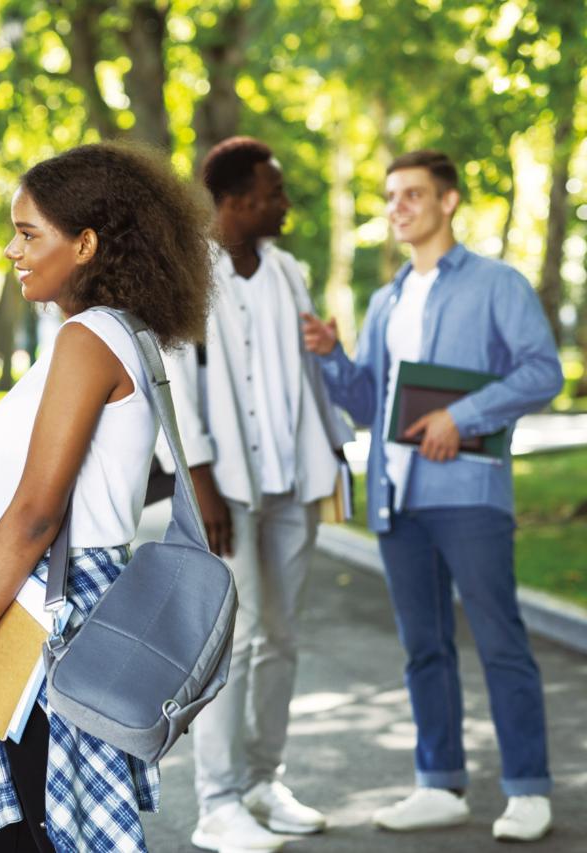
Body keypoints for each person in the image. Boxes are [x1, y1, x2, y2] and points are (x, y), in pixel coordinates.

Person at [0, 142, 214, 853]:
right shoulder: (124, 335)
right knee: (55, 826)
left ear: (85, 243)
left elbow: (36, 512)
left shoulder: (88, 339)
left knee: (30, 830)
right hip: (64, 599)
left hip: (51, 614)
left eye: (28, 232)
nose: (12, 249)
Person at [302, 150, 561, 842]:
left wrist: (462, 417)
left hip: (469, 492)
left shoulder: (496, 284)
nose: (398, 207)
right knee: (424, 647)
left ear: (448, 201)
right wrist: (332, 356)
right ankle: (438, 782)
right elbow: (371, 403)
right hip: (396, 495)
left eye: (413, 194)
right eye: (390, 196)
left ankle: (528, 788)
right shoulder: (386, 300)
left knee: (501, 639)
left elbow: (543, 371)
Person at [156, 137, 352, 852]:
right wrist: (198, 478)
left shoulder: (289, 273)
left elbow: (309, 375)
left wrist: (334, 456)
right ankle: (220, 802)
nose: (284, 202)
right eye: (274, 191)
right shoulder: (186, 276)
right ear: (238, 200)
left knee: (282, 638)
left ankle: (266, 780)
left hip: (293, 482)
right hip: (225, 488)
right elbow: (172, 386)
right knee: (228, 645)